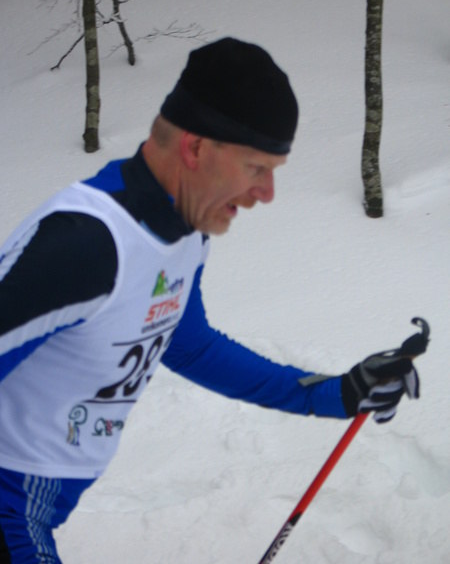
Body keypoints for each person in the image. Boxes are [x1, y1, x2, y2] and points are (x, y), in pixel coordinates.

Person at [0, 37, 425, 563]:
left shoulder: (182, 233)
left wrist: (335, 393)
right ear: (197, 148)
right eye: (256, 168)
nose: (267, 193)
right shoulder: (86, 244)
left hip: (38, 505)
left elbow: (190, 345)